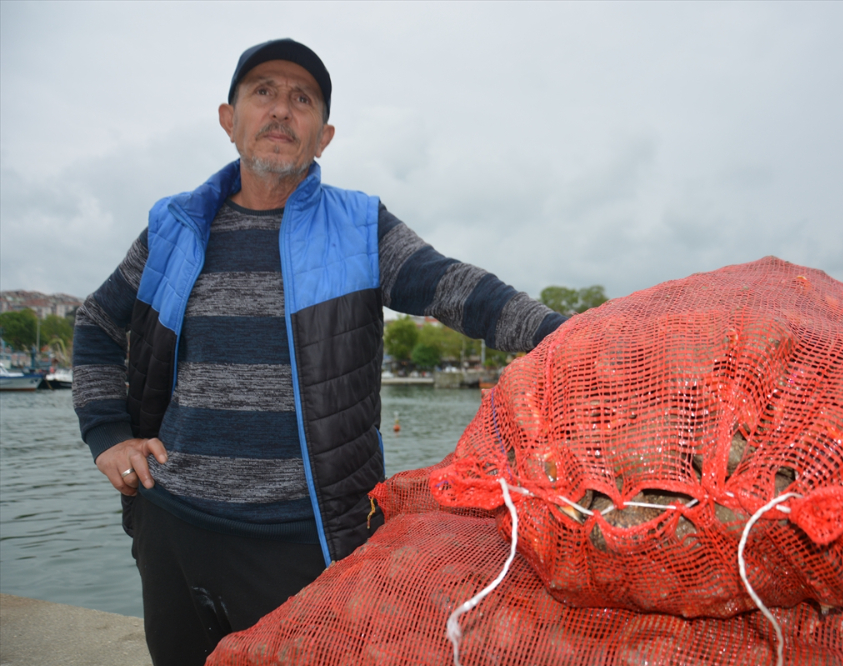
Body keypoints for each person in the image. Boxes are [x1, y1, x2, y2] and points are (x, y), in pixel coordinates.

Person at [72, 38, 565, 665]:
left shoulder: (360, 225)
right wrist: (107, 432)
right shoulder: (173, 226)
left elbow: (461, 292)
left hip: (307, 539)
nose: (282, 111)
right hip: (174, 528)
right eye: (263, 93)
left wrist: (574, 334)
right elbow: (95, 323)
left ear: (324, 135)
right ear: (229, 120)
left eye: (301, 99)